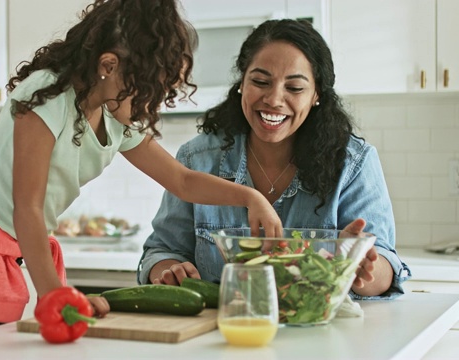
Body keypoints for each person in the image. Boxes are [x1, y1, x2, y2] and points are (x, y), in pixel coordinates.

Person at [0, 0, 283, 349]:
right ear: (108, 66)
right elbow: (28, 207)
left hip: (4, 249)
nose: (154, 105)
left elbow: (181, 180)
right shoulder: (47, 95)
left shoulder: (117, 117)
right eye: (148, 89)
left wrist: (251, 197)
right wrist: (52, 293)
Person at [137, 19, 412, 300]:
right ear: (242, 82)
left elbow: (387, 269)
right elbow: (162, 251)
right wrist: (170, 270)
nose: (274, 99)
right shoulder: (197, 159)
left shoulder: (353, 164)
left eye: (294, 88)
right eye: (260, 82)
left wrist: (360, 266)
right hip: (224, 335)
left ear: (316, 94)